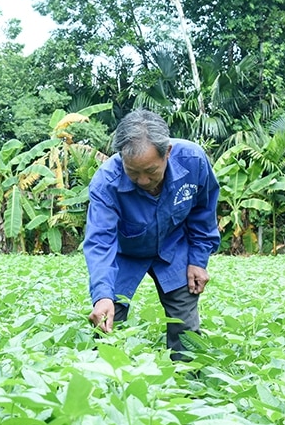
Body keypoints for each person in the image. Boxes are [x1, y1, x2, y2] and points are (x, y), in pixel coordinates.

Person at [83, 109, 220, 360]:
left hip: (173, 246)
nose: (143, 180)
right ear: (121, 156)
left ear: (167, 152)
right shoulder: (106, 182)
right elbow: (100, 241)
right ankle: (101, 383)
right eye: (132, 172)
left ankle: (188, 388)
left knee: (186, 329)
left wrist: (198, 261)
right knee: (107, 323)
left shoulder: (193, 161)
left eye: (150, 171)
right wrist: (102, 295)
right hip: (125, 253)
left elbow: (203, 211)